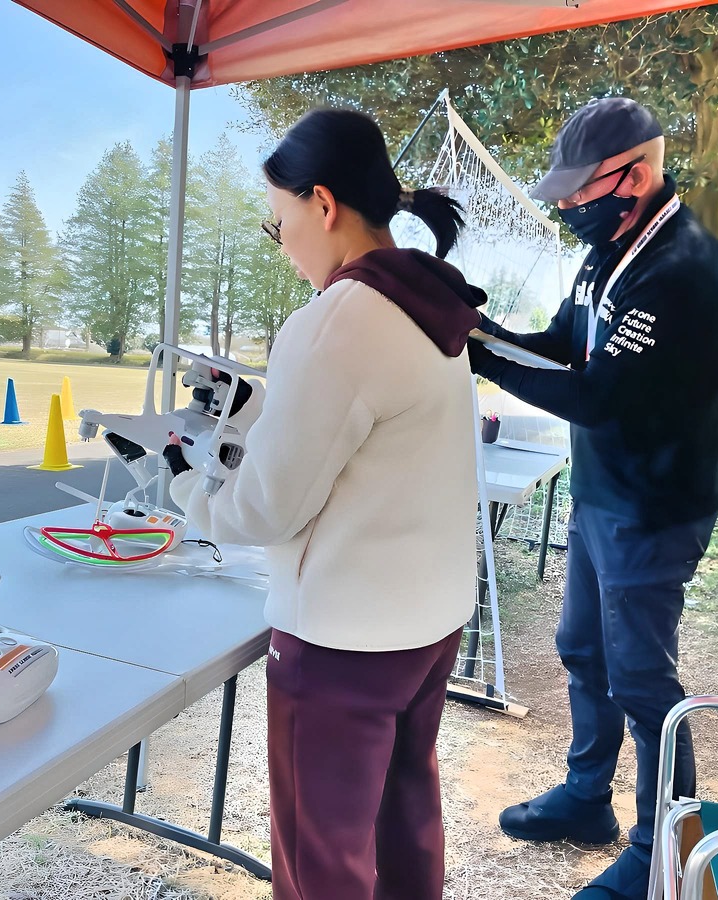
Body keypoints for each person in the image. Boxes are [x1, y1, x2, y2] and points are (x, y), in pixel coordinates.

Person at [162, 107, 487, 900]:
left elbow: (265, 510)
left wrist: (179, 485)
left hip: (344, 638)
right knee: (405, 818)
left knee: (322, 859)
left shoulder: (337, 318)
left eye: (280, 223)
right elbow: (371, 437)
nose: (285, 246)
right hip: (428, 619)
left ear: (323, 203)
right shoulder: (428, 303)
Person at [467, 97, 718, 900]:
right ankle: (588, 800)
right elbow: (560, 344)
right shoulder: (614, 247)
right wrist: (478, 328)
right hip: (602, 493)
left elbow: (596, 396)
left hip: (653, 509)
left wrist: (477, 359)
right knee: (584, 650)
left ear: (638, 174)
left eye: (581, 191)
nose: (569, 206)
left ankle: (661, 851)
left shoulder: (682, 268)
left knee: (645, 686)